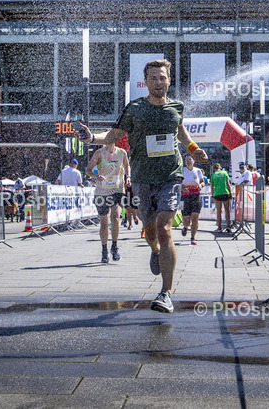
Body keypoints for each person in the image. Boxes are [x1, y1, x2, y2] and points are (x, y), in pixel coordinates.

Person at [77, 58, 207, 314]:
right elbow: (113, 135)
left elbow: (180, 132)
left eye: (163, 77)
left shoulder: (176, 107)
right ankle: (156, 251)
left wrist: (194, 148)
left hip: (171, 175)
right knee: (151, 232)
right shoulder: (135, 108)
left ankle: (166, 292)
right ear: (145, 82)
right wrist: (92, 137)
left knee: (166, 228)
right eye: (154, 78)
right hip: (142, 179)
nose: (159, 82)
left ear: (169, 80)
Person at [85, 139, 130, 263]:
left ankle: (114, 246)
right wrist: (95, 176)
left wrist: (128, 177)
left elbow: (127, 166)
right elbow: (88, 170)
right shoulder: (99, 153)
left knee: (115, 218)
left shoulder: (122, 153)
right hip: (102, 192)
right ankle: (104, 250)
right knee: (104, 222)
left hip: (118, 190)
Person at [180, 154, 204, 245]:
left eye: (190, 159)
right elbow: (177, 182)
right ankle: (185, 227)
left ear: (193, 161)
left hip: (196, 196)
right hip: (185, 196)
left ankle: (193, 238)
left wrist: (201, 185)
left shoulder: (197, 171)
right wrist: (182, 188)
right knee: (186, 220)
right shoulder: (182, 171)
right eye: (186, 160)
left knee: (195, 218)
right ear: (184, 162)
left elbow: (202, 181)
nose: (188, 161)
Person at [210, 163, 231, 232]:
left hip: (217, 193)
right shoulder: (225, 173)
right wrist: (230, 193)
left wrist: (212, 195)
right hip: (225, 192)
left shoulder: (213, 175)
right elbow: (228, 184)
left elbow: (212, 187)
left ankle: (219, 228)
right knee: (227, 210)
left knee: (219, 211)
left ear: (214, 169)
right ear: (220, 167)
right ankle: (228, 226)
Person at [233, 163, 252, 228]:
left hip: (246, 191)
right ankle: (241, 220)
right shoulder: (241, 174)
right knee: (240, 206)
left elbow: (247, 180)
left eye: (242, 167)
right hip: (241, 192)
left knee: (244, 207)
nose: (241, 169)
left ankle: (244, 220)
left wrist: (240, 185)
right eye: (240, 168)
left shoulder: (247, 172)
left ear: (245, 167)